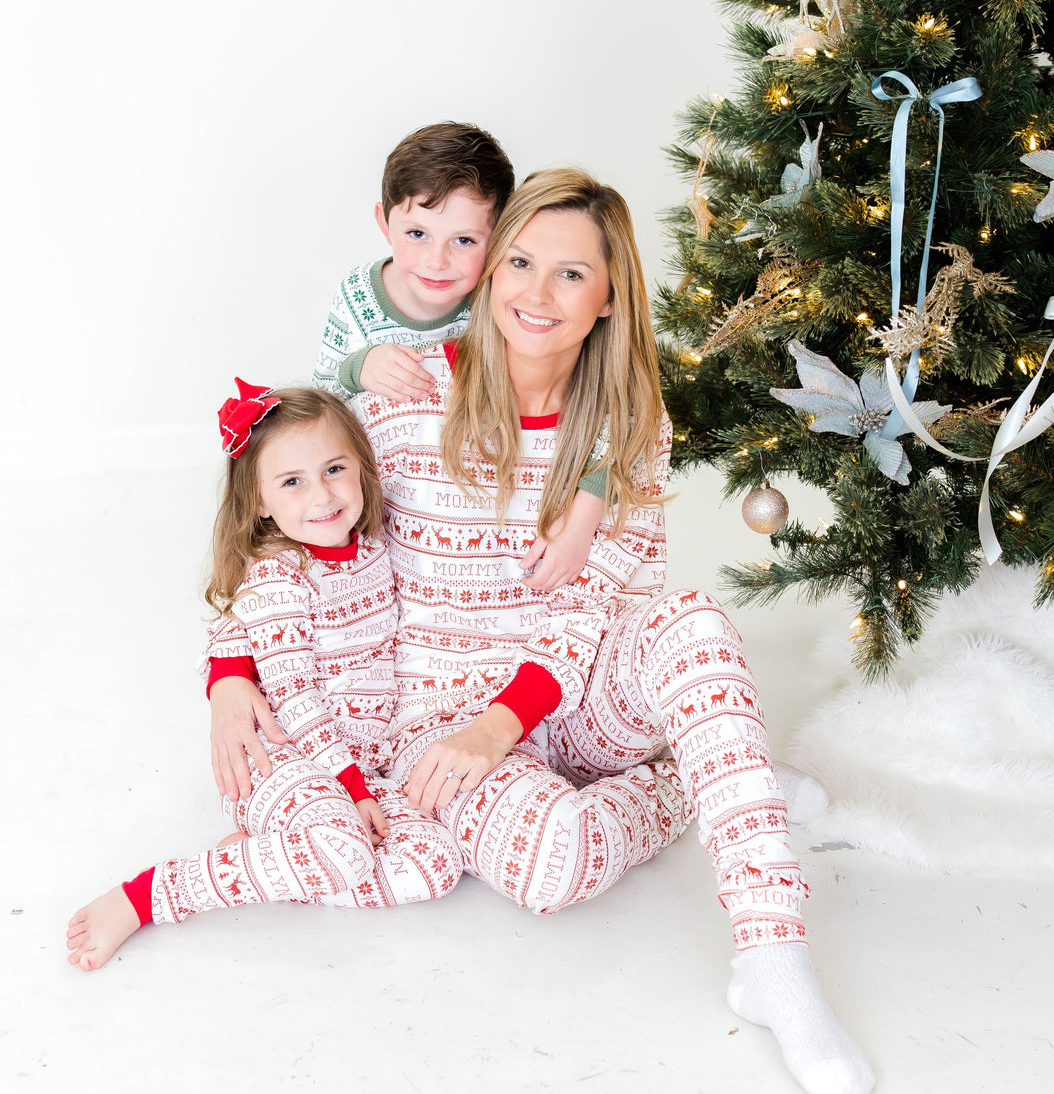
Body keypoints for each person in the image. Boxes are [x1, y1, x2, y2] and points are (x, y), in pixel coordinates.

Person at [210, 169, 873, 1093]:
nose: (534, 291)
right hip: (439, 720)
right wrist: (231, 667)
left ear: (608, 299)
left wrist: (508, 722)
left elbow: (591, 608)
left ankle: (774, 960)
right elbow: (297, 523)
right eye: (518, 261)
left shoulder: (630, 429)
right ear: (488, 272)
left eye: (570, 274)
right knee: (554, 867)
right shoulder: (403, 400)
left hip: (577, 694)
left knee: (691, 620)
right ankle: (705, 775)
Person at [66, 382, 463, 972]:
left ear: (362, 466)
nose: (323, 495)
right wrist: (352, 789)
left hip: (362, 763)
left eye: (334, 468)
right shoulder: (279, 578)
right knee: (345, 854)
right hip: (283, 758)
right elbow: (297, 701)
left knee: (436, 863)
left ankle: (269, 862)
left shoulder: (375, 551)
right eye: (292, 482)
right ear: (258, 501)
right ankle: (151, 895)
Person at [313, 120, 606, 592]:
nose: (436, 261)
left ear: (499, 238)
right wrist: (359, 366)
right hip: (384, 488)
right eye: (416, 234)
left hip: (475, 486)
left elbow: (600, 411)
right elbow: (322, 396)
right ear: (384, 222)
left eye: (464, 241)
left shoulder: (504, 300)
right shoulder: (357, 295)